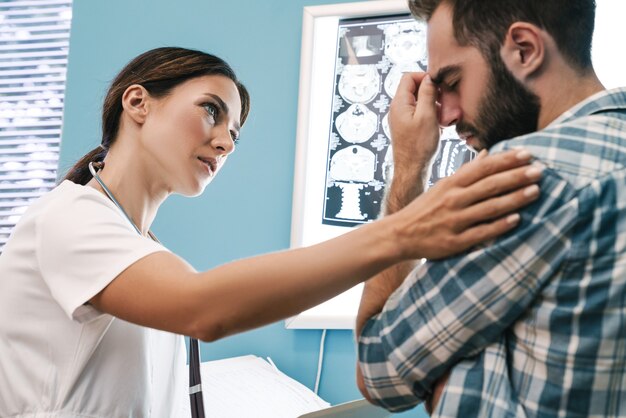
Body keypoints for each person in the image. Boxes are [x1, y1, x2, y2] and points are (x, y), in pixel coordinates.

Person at [0, 46, 540, 417]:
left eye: (234, 133)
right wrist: (407, 233)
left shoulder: (142, 251)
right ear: (137, 102)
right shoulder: (68, 217)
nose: (225, 143)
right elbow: (204, 308)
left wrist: (408, 173)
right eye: (211, 112)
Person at [356, 0, 626, 417]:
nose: (443, 115)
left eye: (452, 80)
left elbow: (378, 370)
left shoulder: (530, 177)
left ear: (524, 49)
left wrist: (408, 168)